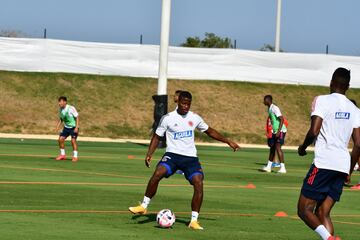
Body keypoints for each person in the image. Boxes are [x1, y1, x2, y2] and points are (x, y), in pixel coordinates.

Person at [129, 91, 240, 230]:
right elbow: (157, 137)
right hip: (172, 155)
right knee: (158, 173)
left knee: (198, 183)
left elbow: (210, 131)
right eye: (183, 103)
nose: (186, 106)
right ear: (178, 102)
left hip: (190, 158)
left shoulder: (195, 118)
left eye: (188, 104)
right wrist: (149, 153)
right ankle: (143, 206)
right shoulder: (167, 118)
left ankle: (194, 221)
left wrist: (228, 141)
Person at [297, 68, 360, 240]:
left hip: (324, 163)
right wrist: (348, 172)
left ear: (331, 83)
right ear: (348, 86)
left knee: (304, 209)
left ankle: (329, 239)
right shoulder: (354, 109)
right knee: (323, 212)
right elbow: (359, 144)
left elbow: (313, 131)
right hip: (341, 165)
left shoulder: (322, 100)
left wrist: (303, 147)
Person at [262, 95, 287, 173]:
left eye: (264, 100)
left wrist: (279, 131)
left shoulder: (274, 108)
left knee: (278, 147)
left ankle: (283, 168)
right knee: (272, 148)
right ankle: (269, 167)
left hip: (280, 131)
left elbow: (282, 119)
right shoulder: (269, 108)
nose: (263, 101)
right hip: (275, 131)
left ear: (268, 100)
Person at [55, 96, 80, 162]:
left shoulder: (71, 108)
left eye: (60, 102)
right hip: (66, 128)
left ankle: (75, 156)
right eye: (59, 102)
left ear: (65, 102)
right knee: (60, 139)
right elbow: (61, 119)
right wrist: (57, 126)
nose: (59, 103)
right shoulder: (61, 109)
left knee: (73, 141)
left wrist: (77, 127)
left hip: (73, 127)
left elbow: (77, 117)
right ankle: (62, 155)